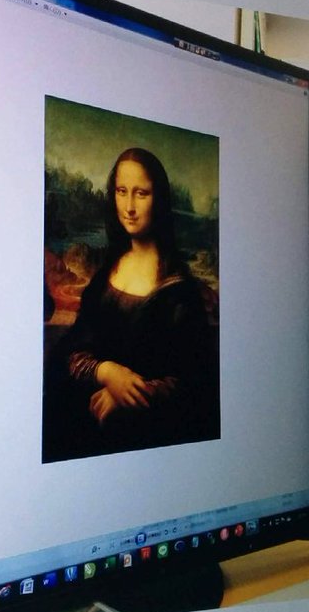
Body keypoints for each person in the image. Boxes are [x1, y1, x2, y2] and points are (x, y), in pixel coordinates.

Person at [43, 147, 218, 461]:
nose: (129, 207)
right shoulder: (106, 274)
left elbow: (193, 383)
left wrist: (129, 395)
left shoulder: (180, 291)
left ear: (158, 200)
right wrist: (106, 372)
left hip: (147, 445)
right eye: (122, 191)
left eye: (141, 193)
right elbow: (71, 351)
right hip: (85, 432)